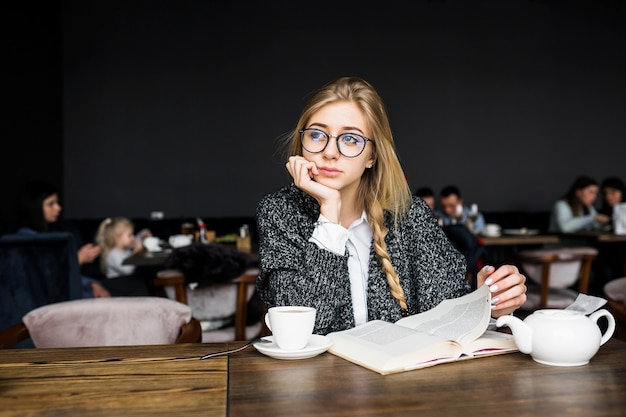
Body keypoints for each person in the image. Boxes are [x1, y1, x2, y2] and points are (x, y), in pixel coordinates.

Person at [256, 76, 527, 335]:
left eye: (350, 139)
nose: (329, 151)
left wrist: (487, 304)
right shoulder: (280, 212)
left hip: (400, 381)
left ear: (372, 156)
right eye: (317, 135)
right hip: (318, 380)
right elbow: (298, 329)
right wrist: (329, 212)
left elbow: (449, 317)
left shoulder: (408, 215)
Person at [15, 181, 110, 298]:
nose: (58, 208)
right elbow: (43, 278)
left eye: (57, 203)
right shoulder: (24, 239)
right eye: (51, 204)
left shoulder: (51, 233)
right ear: (35, 206)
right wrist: (78, 259)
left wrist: (93, 283)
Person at [94, 216, 152, 296]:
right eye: (130, 235)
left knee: (143, 279)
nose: (133, 238)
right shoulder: (113, 254)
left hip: (124, 282)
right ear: (117, 238)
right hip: (115, 284)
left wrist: (144, 234)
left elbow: (138, 238)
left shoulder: (125, 250)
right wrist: (136, 254)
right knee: (139, 282)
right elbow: (128, 270)